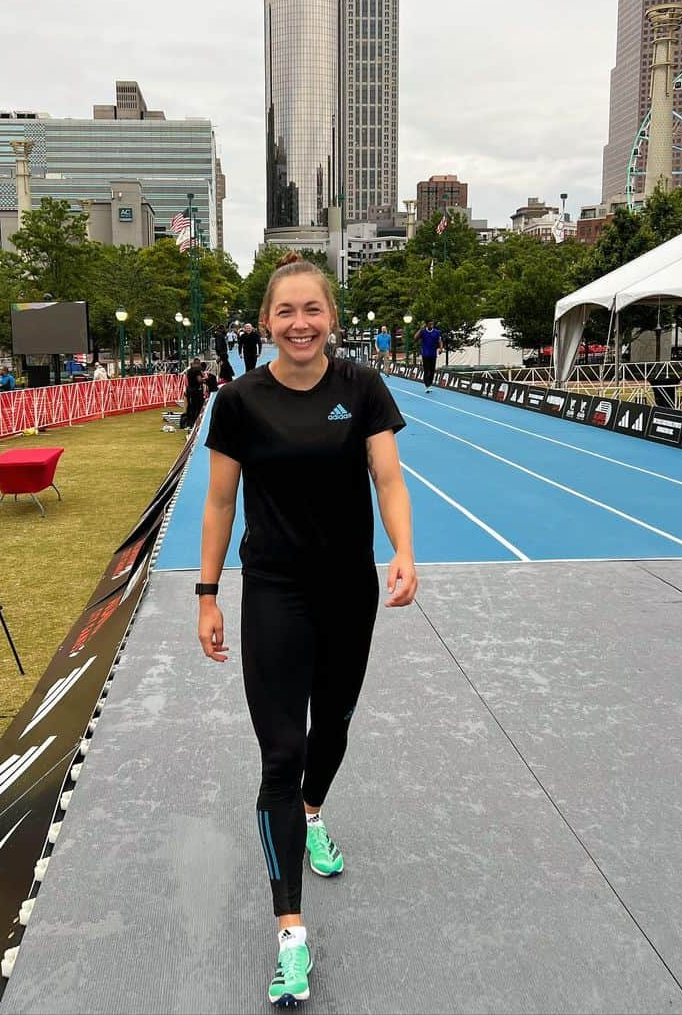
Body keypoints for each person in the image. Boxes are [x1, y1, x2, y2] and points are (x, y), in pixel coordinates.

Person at [200, 251, 417, 1007]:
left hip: (347, 590)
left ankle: (314, 810)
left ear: (332, 318)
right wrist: (207, 593)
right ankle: (290, 928)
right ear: (266, 322)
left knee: (336, 727)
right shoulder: (238, 401)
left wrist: (404, 552)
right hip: (274, 591)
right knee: (280, 754)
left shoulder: (360, 386)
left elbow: (388, 477)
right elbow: (221, 504)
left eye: (312, 310)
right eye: (285, 311)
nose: (300, 323)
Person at [413, 319, 443, 392]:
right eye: (430, 324)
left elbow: (440, 341)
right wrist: (420, 329)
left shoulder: (436, 332)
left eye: (432, 324)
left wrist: (441, 348)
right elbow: (415, 337)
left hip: (433, 354)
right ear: (426, 324)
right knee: (426, 370)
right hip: (425, 354)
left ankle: (430, 384)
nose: (431, 325)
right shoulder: (423, 331)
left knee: (432, 370)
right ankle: (427, 385)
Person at [181, 357, 205, 429]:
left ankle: (189, 423)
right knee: (198, 407)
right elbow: (199, 380)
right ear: (198, 363)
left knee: (190, 407)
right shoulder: (197, 371)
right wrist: (205, 380)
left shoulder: (189, 371)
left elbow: (187, 382)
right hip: (196, 391)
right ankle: (195, 423)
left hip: (189, 390)